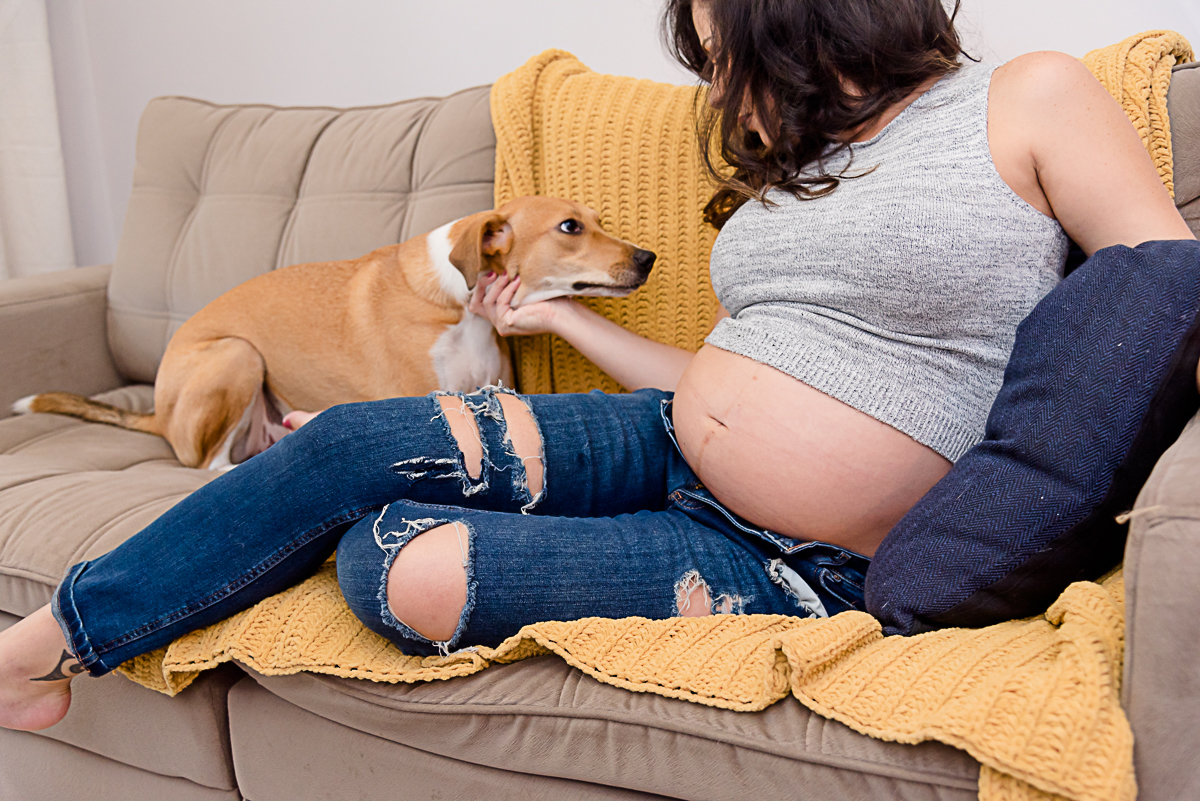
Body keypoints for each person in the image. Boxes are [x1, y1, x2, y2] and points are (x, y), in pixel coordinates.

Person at [1, 0, 1193, 733]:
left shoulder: (1028, 98)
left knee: (403, 574)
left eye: (734, 57)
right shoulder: (802, 171)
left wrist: (1019, 510)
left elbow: (1159, 284)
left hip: (796, 549)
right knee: (355, 447)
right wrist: (563, 323)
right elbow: (727, 375)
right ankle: (47, 644)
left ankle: (778, 587)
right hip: (665, 434)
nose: (725, 93)